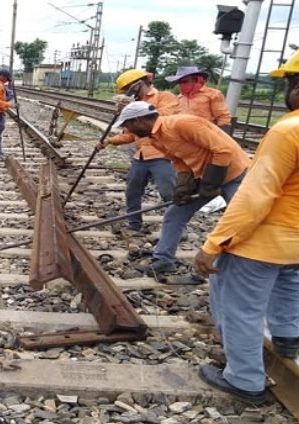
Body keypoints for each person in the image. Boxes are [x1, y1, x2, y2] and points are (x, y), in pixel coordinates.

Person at [193, 42, 299, 404]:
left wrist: (214, 245)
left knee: (239, 307)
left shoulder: (291, 130)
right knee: (290, 276)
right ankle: (287, 336)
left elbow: (256, 195)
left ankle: (244, 379)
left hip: (267, 242)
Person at [112, 101, 250, 274]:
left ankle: (245, 265)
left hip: (234, 174)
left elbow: (223, 150)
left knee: (241, 219)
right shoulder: (155, 139)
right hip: (205, 175)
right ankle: (163, 259)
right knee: (175, 213)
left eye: (128, 125)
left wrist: (211, 184)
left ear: (138, 120)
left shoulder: (183, 124)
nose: (129, 131)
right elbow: (179, 161)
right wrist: (183, 185)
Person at [95, 69, 179, 233]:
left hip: (162, 155)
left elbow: (164, 118)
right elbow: (130, 135)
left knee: (168, 193)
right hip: (140, 156)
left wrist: (136, 108)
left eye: (128, 89)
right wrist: (108, 141)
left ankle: (175, 229)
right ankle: (134, 224)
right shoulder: (133, 105)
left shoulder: (164, 97)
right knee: (132, 191)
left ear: (138, 84)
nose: (128, 93)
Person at [166, 66, 232, 134]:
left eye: (184, 81)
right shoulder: (179, 98)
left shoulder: (213, 95)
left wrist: (222, 137)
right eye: (179, 82)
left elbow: (223, 117)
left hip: (204, 135)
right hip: (182, 136)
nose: (181, 84)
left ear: (197, 80)